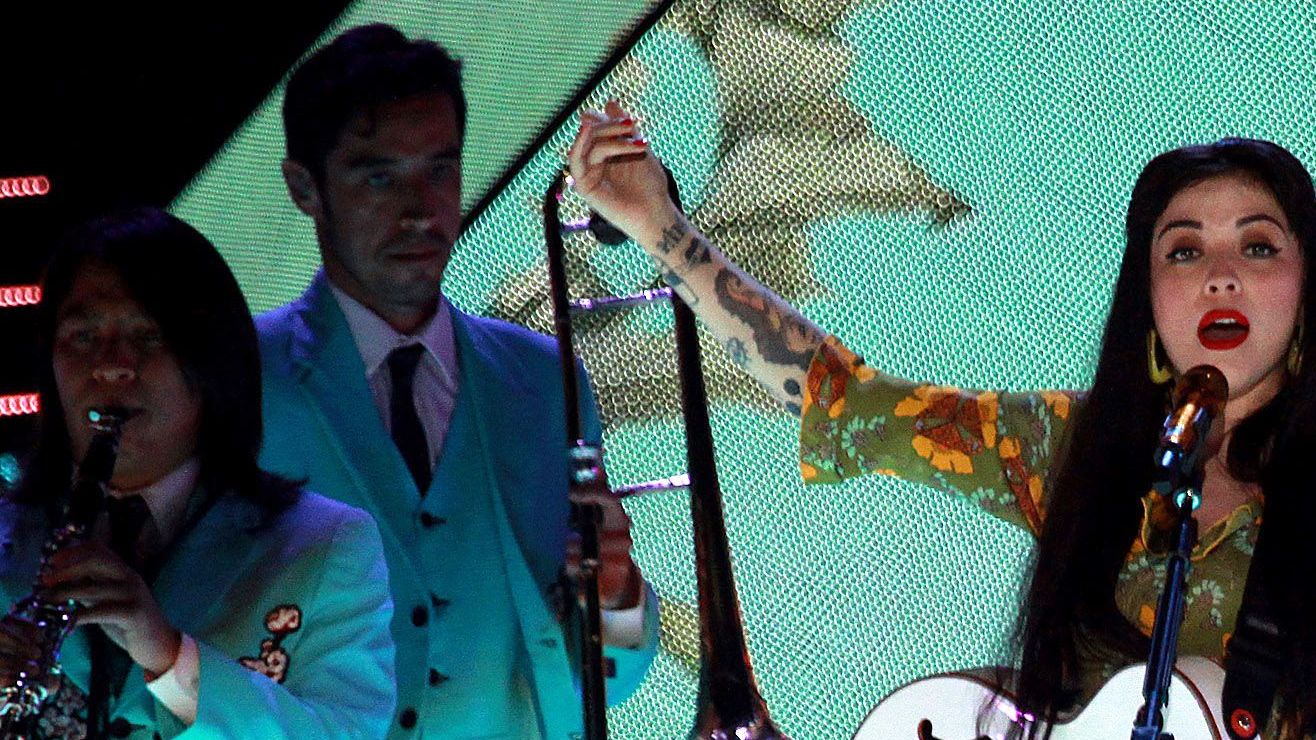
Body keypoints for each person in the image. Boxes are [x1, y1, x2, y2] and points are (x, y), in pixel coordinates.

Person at [571, 107, 1316, 735]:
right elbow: (846, 402)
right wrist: (656, 224)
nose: (1220, 276)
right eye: (1184, 251)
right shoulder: (1071, 448)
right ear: (1146, 298)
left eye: (1258, 246)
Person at [256, 25, 659, 738]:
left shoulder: (544, 380)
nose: (420, 209)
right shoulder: (238, 379)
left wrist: (616, 597)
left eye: (440, 171)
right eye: (379, 177)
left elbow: (595, 679)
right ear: (303, 187)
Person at [0, 208, 396, 738]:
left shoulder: (326, 547)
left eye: (149, 336)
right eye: (82, 337)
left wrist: (170, 657)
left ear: (214, 362)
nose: (112, 366)